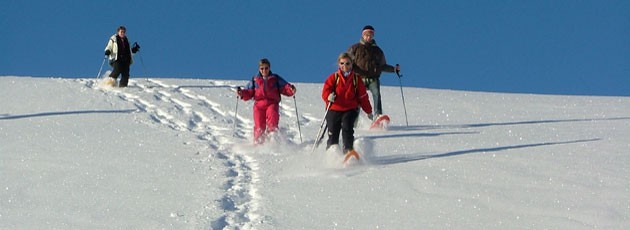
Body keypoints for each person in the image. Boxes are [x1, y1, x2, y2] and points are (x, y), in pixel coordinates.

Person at [321, 53, 372, 161]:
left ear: (352, 64)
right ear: (339, 64)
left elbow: (363, 96)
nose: (345, 66)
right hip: (334, 108)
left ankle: (348, 151)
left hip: (350, 109)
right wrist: (328, 96)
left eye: (347, 63)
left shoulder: (356, 79)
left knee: (347, 128)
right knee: (333, 131)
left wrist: (368, 111)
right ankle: (331, 153)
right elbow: (325, 91)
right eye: (342, 63)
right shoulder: (334, 77)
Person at [237, 58, 297, 144]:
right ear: (259, 69)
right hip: (259, 105)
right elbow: (249, 92)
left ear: (269, 68)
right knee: (259, 125)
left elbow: (284, 87)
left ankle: (273, 140)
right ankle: (258, 143)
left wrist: (291, 89)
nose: (264, 70)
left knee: (272, 118)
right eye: (262, 68)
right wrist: (241, 93)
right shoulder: (255, 80)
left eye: (266, 68)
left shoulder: (275, 78)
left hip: (272, 103)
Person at [347, 25, 400, 117]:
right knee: (357, 98)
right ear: (363, 35)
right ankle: (353, 118)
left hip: (373, 78)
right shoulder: (355, 48)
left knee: (376, 94)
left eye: (371, 35)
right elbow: (347, 61)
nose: (369, 37)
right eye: (367, 35)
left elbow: (383, 66)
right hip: (359, 78)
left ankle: (377, 115)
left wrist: (394, 69)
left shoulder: (378, 51)